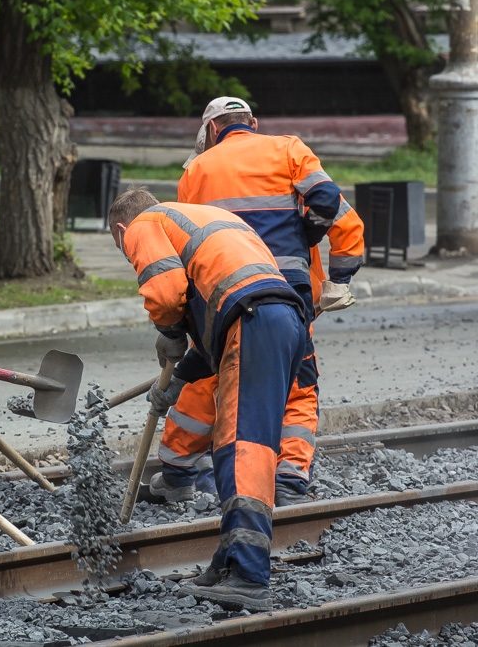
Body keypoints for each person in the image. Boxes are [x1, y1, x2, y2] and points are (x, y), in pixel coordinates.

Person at [143, 96, 364, 507]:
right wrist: (337, 275)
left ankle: (177, 469)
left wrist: (183, 319)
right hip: (289, 293)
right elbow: (341, 215)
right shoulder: (288, 150)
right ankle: (289, 477)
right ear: (253, 123)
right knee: (297, 383)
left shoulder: (197, 170)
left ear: (212, 130)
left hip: (221, 294)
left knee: (211, 374)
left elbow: (189, 242)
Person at [110, 187, 306, 612]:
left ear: (122, 230)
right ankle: (228, 560)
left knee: (241, 450)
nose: (132, 256)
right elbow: (222, 309)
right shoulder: (202, 219)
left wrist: (169, 333)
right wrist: (178, 379)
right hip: (281, 321)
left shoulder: (143, 224)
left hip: (253, 322)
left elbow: (164, 295)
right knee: (237, 445)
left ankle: (250, 575)